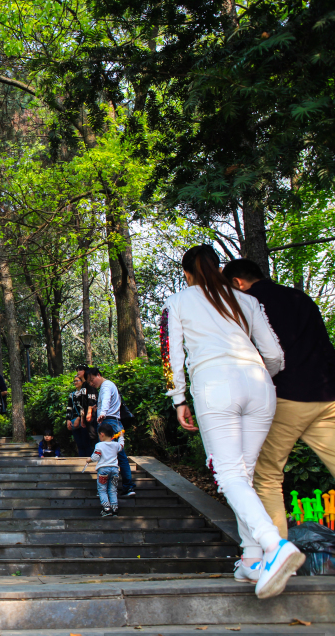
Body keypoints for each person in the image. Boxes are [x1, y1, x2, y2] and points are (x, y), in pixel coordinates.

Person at [165, 244, 301, 599]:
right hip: (259, 384)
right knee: (245, 474)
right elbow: (274, 354)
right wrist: (261, 377)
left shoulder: (179, 301)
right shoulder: (246, 300)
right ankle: (252, 560)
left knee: (228, 474)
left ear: (187, 273)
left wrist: (179, 398)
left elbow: (172, 356)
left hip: (214, 385)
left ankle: (274, 545)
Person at [223, 258, 335, 538]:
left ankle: (278, 554)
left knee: (268, 475)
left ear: (238, 283)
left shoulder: (248, 305)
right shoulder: (301, 297)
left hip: (287, 396)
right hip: (328, 393)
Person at [85, 367, 135, 496]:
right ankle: (126, 486)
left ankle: (123, 486)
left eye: (92, 380)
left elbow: (106, 399)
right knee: (118, 455)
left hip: (109, 423)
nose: (92, 384)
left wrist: (102, 413)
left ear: (99, 375)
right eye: (89, 382)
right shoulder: (109, 386)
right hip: (114, 422)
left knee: (109, 456)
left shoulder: (106, 386)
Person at [89, 423, 124, 517]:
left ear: (102, 434)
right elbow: (121, 445)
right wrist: (121, 436)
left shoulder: (99, 445)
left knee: (102, 489)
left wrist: (89, 459)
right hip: (115, 470)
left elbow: (96, 457)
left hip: (103, 470)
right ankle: (115, 508)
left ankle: (106, 508)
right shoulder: (116, 445)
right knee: (112, 490)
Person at [66, 372, 94, 457]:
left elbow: (85, 406)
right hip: (74, 421)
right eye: (74, 381)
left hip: (83, 420)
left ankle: (89, 461)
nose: (75, 383)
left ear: (82, 382)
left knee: (86, 443)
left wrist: (79, 418)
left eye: (77, 381)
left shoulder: (85, 393)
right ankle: (81, 460)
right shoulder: (72, 394)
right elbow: (69, 407)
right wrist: (68, 420)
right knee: (79, 444)